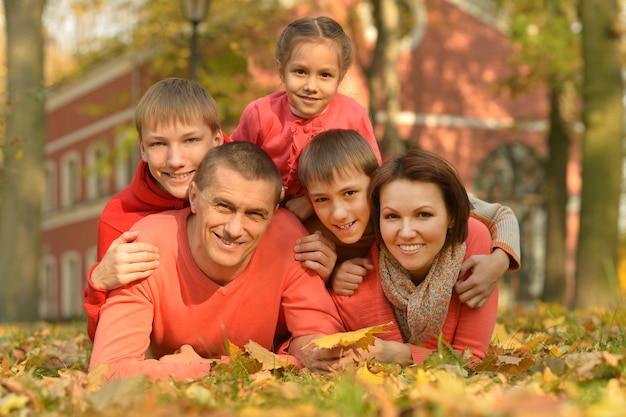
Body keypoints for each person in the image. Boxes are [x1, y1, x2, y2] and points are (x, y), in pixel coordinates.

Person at [89, 142, 345, 381]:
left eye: (255, 214)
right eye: (223, 206)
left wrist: (196, 368)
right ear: (194, 197)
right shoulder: (148, 245)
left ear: (273, 214)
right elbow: (106, 370)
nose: (234, 229)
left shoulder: (288, 240)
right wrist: (274, 364)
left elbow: (324, 352)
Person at [314, 148, 497, 367]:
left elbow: (470, 360)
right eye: (392, 216)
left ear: (452, 216)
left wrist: (399, 353)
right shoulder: (356, 281)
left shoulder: (472, 241)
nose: (407, 232)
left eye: (423, 215)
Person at [296, 129, 520, 309]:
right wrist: (333, 276)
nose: (339, 213)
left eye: (350, 193)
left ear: (375, 182)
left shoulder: (398, 202)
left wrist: (499, 262)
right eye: (322, 199)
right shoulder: (313, 230)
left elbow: (501, 215)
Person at [84, 77, 228, 341]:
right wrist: (100, 284)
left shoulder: (252, 185)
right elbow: (107, 338)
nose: (175, 161)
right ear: (142, 149)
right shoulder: (120, 218)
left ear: (217, 139)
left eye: (191, 140)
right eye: (158, 144)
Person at [230, 16, 382, 222]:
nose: (311, 86)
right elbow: (233, 163)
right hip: (264, 216)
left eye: (325, 75)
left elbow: (370, 175)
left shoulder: (353, 116)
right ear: (282, 70)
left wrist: (311, 201)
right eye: (300, 72)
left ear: (341, 75)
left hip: (332, 220)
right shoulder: (260, 113)